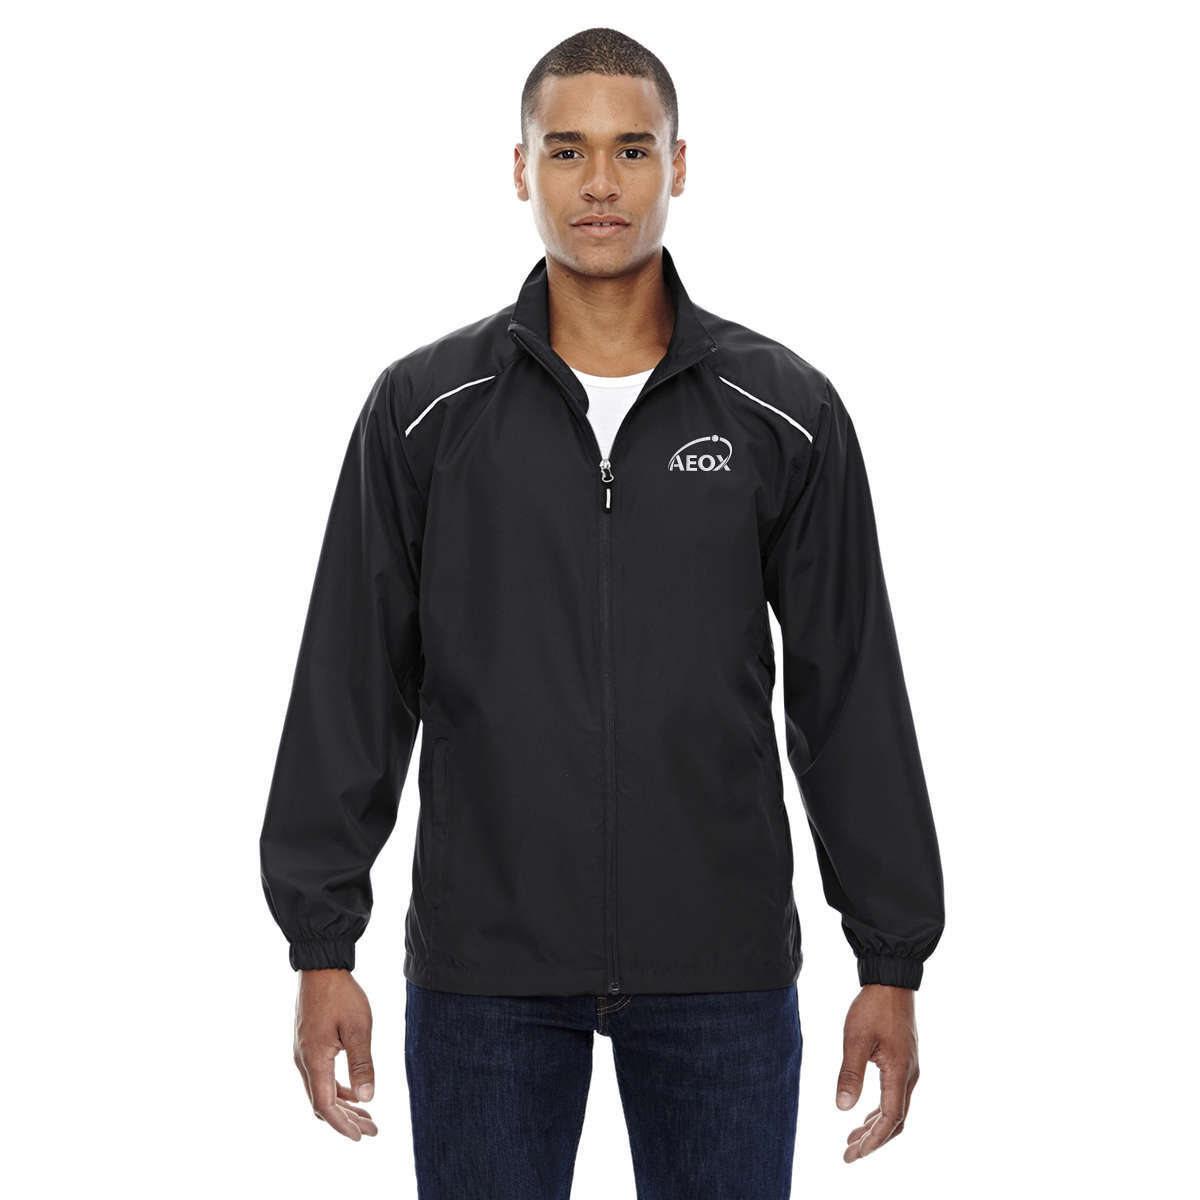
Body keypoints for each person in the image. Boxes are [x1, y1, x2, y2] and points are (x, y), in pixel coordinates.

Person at [259, 26, 944, 1197]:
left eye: (632, 149)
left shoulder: (783, 412)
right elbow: (353, 683)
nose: (600, 183)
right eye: (566, 150)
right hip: (486, 974)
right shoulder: (425, 410)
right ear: (519, 168)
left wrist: (890, 958)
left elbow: (849, 695)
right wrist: (321, 945)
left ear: (678, 164)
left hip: (721, 968)